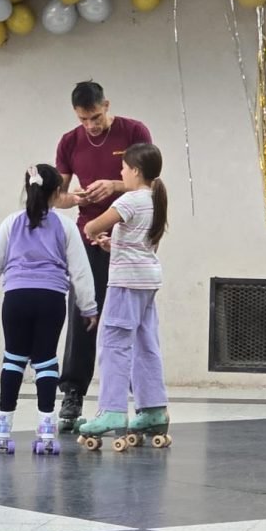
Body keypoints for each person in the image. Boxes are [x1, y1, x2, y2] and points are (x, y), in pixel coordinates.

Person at [53, 81, 153, 431]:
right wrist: (78, 198)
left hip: (130, 234)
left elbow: (150, 182)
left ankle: (141, 396)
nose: (91, 126)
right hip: (90, 233)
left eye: (96, 117)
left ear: (106, 105)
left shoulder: (134, 131)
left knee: (133, 318)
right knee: (84, 309)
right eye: (84, 120)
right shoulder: (70, 142)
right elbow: (58, 197)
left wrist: (114, 186)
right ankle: (73, 392)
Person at [0, 164, 98, 455]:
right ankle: (46, 431)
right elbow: (80, 271)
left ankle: (2, 429)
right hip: (51, 299)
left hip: (17, 297)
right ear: (58, 193)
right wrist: (88, 306)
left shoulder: (11, 222)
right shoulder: (66, 227)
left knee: (13, 359)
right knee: (45, 361)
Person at [79, 143, 170, 450]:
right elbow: (142, 244)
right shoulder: (156, 201)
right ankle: (153, 409)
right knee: (146, 343)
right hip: (146, 280)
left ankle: (112, 412)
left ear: (135, 171)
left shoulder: (130, 199)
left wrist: (93, 234)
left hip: (125, 284)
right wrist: (112, 246)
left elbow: (94, 224)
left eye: (123, 169)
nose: (120, 173)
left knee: (113, 344)